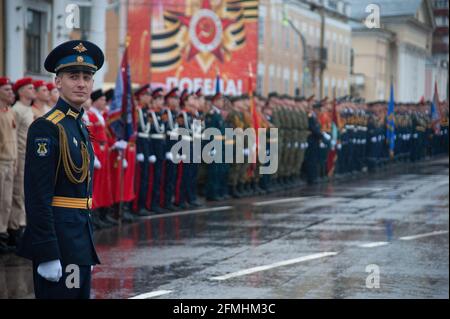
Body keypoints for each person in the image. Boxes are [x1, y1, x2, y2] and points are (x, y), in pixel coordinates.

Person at [17, 40, 105, 299]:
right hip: (60, 241)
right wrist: (47, 252)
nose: (81, 83)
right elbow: (37, 195)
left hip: (79, 238)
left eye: (87, 77)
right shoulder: (47, 127)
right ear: (57, 82)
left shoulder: (77, 125)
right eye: (73, 76)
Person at [11, 77, 36, 247]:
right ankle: (17, 229)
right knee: (18, 194)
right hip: (20, 155)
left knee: (27, 193)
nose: (33, 90)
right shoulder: (18, 109)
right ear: (20, 91)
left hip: (30, 156)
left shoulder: (28, 109)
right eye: (29, 88)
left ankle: (24, 226)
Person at [0, 77, 18, 253]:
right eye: (6, 90)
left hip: (10, 161)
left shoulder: (10, 111)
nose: (11, 93)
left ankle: (4, 233)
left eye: (11, 90)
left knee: (6, 202)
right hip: (0, 161)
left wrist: (15, 162)